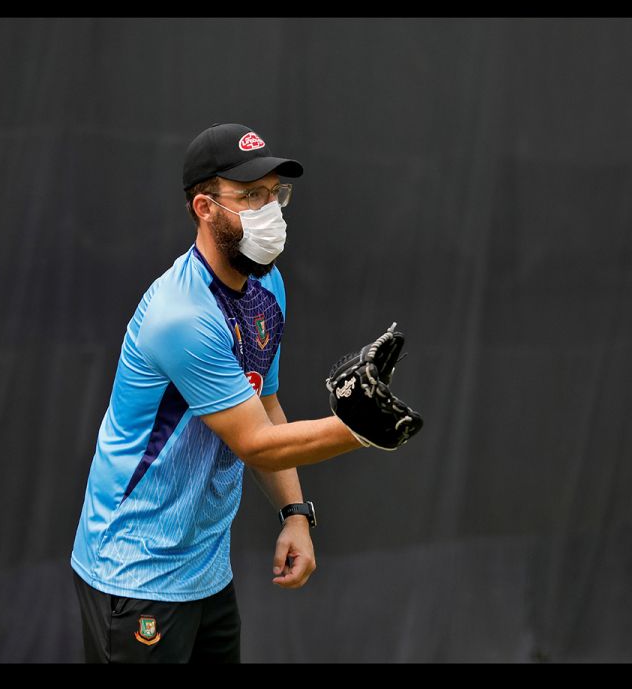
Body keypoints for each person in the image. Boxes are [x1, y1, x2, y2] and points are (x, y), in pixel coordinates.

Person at [69, 122, 401, 663]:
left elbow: (265, 404)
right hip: (135, 574)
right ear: (204, 207)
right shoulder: (182, 316)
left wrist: (295, 513)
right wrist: (357, 430)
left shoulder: (267, 285)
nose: (270, 210)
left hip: (205, 571)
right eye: (250, 196)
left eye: (275, 194)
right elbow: (255, 443)